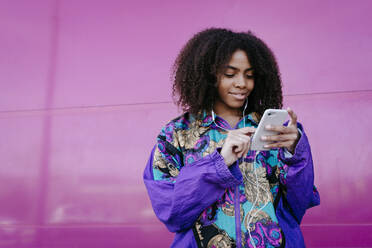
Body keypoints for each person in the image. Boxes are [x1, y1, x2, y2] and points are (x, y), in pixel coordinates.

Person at [143, 28, 320, 248]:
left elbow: (297, 204)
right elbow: (170, 210)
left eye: (250, 75)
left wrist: (295, 152)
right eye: (230, 74)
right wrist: (220, 163)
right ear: (209, 76)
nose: (242, 83)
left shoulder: (275, 130)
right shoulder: (176, 134)